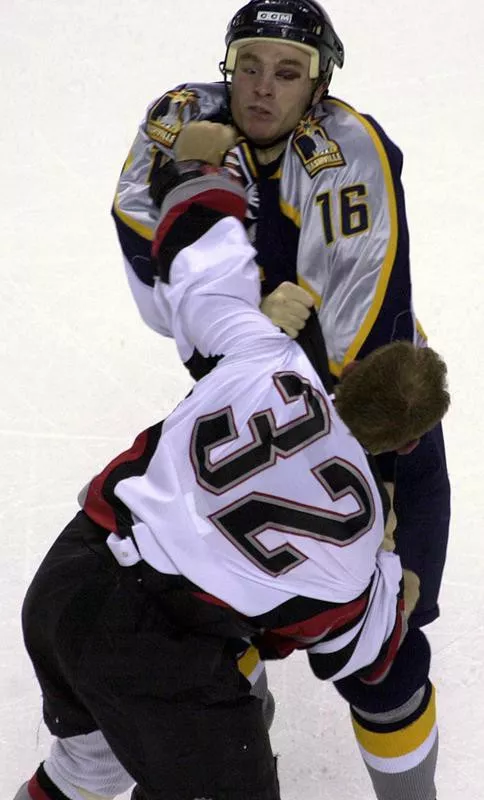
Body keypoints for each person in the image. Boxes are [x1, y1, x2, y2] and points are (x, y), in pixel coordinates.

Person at [15, 162, 449, 800]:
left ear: (351, 371)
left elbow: (202, 268)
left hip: (67, 580)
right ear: (410, 443)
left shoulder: (265, 352)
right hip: (160, 655)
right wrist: (400, 585)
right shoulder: (357, 543)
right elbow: (359, 651)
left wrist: (201, 173)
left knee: (91, 763)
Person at [112, 0, 451, 632]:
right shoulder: (183, 116)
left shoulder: (344, 150)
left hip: (372, 398)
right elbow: (143, 254)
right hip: (252, 380)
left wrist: (378, 463)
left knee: (392, 628)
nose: (263, 88)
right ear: (228, 66)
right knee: (224, 583)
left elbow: (362, 315)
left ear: (319, 84)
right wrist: (244, 318)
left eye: (288, 72)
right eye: (250, 66)